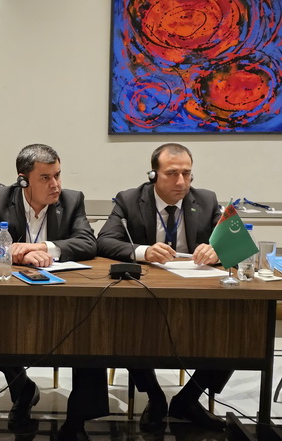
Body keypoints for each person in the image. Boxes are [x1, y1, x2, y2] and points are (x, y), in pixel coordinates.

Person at [0, 144, 106, 440]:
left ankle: (76, 422)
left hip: (65, 298)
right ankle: (23, 390)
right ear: (23, 180)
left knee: (90, 329)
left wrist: (42, 248)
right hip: (12, 296)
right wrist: (11, 252)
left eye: (58, 175)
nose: (55, 185)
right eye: (46, 178)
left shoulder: (72, 200)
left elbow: (88, 243)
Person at [97, 143, 229, 432]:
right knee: (127, 326)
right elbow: (104, 241)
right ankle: (155, 397)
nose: (181, 182)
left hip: (196, 294)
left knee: (235, 329)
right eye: (172, 173)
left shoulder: (206, 200)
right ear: (153, 175)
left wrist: (218, 251)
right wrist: (143, 251)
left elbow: (236, 243)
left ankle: (188, 399)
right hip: (145, 293)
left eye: (187, 173)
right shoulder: (130, 200)